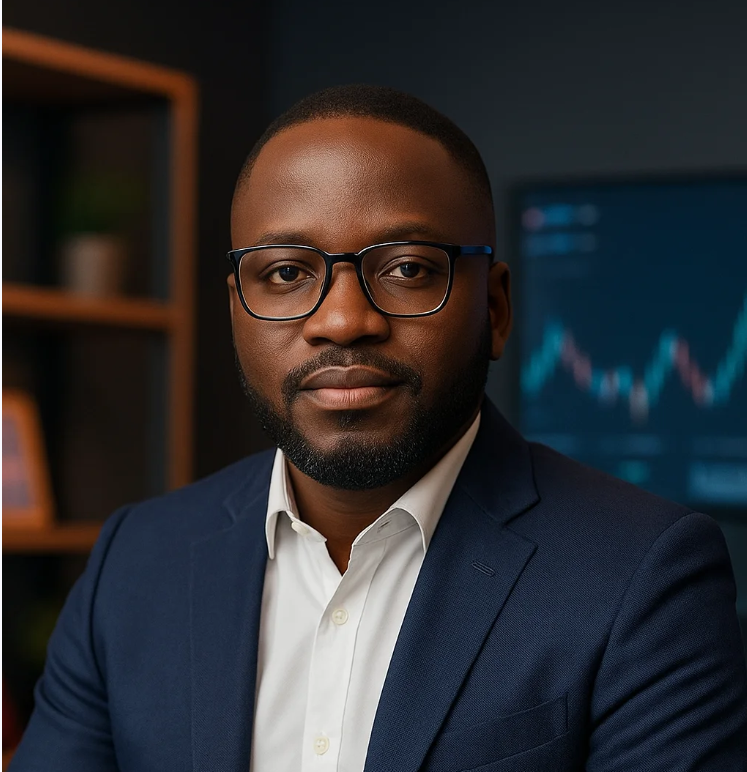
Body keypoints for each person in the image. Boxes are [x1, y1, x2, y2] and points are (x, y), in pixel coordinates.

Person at [10, 85, 747, 772]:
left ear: (493, 310)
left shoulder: (643, 576)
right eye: (287, 274)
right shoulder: (135, 560)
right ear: (236, 310)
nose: (342, 320)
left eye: (406, 269)